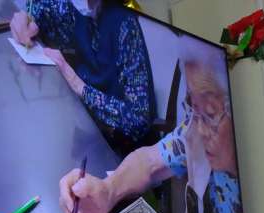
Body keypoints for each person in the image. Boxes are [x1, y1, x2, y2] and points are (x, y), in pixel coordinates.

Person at [58, 35, 250, 213]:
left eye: (209, 113)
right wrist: (109, 189)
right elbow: (149, 161)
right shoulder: (199, 128)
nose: (198, 128)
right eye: (193, 109)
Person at [10, 0, 156, 150]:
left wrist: (77, 84)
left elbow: (139, 119)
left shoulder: (125, 23)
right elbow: (42, 11)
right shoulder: (74, 9)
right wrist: (26, 18)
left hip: (120, 145)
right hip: (84, 126)